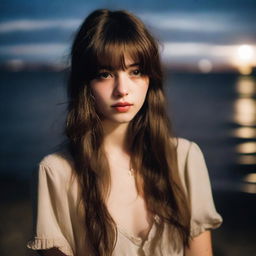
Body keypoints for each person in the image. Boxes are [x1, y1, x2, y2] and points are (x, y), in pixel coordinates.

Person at [27, 9, 222, 256]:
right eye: (105, 74)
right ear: (84, 82)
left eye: (135, 71)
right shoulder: (55, 172)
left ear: (150, 78)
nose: (122, 89)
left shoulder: (185, 158)